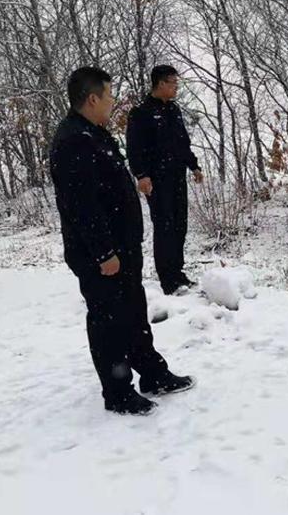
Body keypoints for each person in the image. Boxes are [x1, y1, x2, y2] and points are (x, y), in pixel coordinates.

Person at [50, 67, 193, 416]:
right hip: (102, 254)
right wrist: (103, 252)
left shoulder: (95, 133)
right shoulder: (72, 141)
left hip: (122, 248)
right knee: (107, 319)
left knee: (132, 311)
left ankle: (152, 373)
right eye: (109, 96)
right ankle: (117, 391)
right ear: (92, 98)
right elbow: (82, 206)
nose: (112, 103)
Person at [126, 65, 204, 295]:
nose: (176, 86)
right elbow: (134, 148)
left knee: (180, 224)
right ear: (160, 83)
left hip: (177, 176)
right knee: (165, 225)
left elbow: (182, 142)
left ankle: (178, 272)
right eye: (173, 82)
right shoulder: (141, 113)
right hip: (156, 179)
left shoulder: (174, 110)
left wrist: (194, 165)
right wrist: (141, 175)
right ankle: (167, 279)